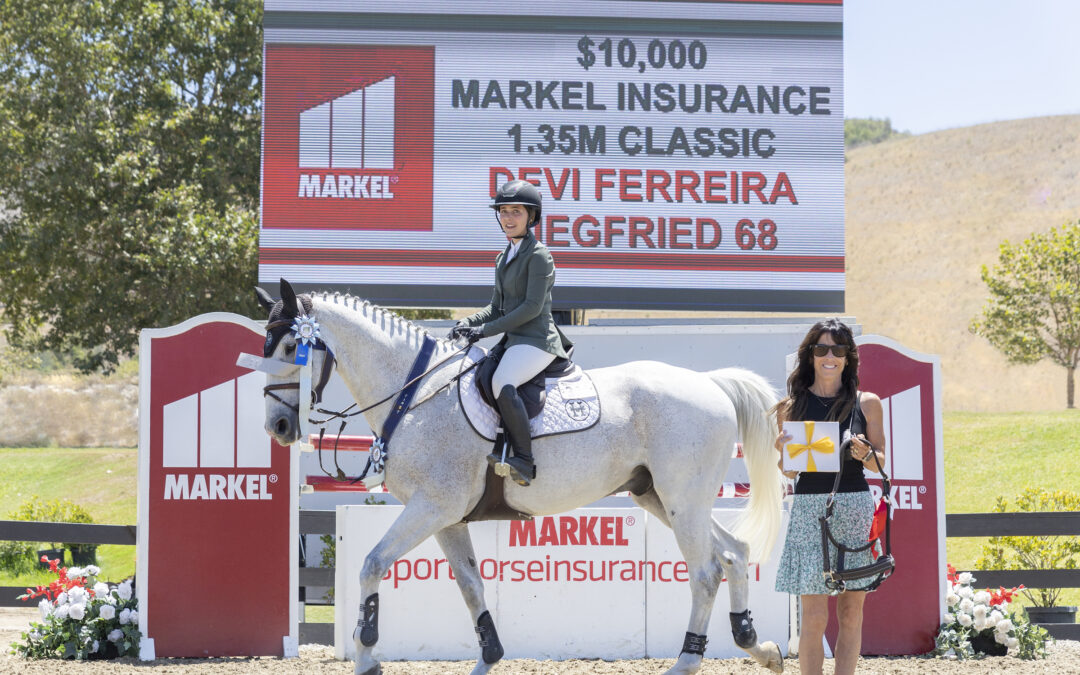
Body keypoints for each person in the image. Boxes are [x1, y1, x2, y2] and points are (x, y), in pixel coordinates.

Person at [772, 318, 886, 675]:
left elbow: (880, 462)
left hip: (854, 507)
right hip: (809, 511)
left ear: (849, 357)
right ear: (810, 356)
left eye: (838, 350)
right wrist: (781, 453)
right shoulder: (791, 407)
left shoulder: (867, 404)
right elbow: (790, 472)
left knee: (851, 613)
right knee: (814, 617)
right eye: (821, 349)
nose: (829, 357)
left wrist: (865, 452)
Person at [448, 180, 572, 487]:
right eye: (503, 211)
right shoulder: (503, 257)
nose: (508, 218)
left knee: (503, 380)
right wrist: (469, 322)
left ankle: (524, 461)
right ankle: (500, 441)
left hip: (538, 339)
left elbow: (531, 308)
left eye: (516, 212)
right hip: (514, 339)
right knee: (479, 373)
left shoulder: (539, 256)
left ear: (531, 216)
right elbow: (496, 307)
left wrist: (485, 331)